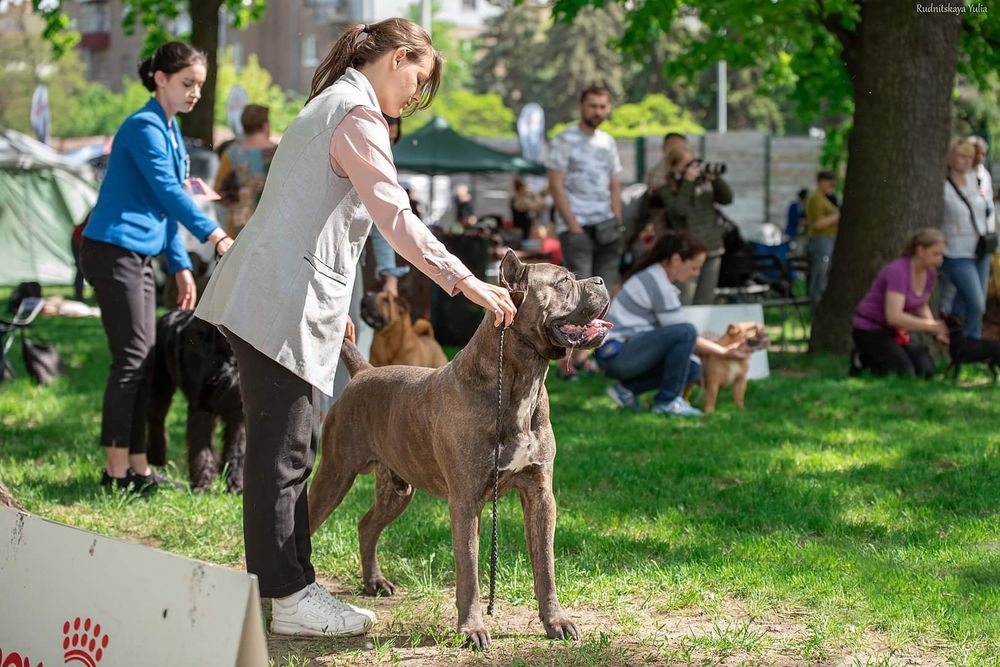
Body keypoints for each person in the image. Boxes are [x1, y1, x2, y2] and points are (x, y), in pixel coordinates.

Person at [194, 19, 516, 638]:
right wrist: (465, 281)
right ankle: (290, 598)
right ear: (398, 59)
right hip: (276, 299)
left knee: (280, 451)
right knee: (286, 453)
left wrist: (333, 294)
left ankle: (278, 587)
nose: (414, 100)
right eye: (417, 83)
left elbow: (305, 211)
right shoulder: (358, 115)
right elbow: (395, 216)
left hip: (270, 291)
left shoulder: (328, 103)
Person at [79, 42, 233, 494]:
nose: (195, 94)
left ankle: (139, 467)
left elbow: (164, 210)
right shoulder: (143, 127)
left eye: (200, 87)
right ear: (160, 79)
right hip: (111, 251)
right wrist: (215, 235)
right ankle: (114, 472)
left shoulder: (171, 135)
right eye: (187, 84)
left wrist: (181, 266)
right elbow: (170, 193)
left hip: (139, 254)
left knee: (145, 360)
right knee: (131, 360)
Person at [596, 231, 747, 417]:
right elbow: (683, 334)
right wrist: (722, 350)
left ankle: (626, 390)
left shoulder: (655, 277)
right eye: (694, 267)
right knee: (687, 333)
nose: (697, 273)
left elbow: (677, 334)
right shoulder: (658, 284)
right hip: (617, 354)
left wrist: (700, 342)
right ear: (676, 260)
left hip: (621, 352)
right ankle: (667, 402)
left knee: (692, 368)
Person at [547, 85, 624, 379]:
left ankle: (584, 357)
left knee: (604, 295)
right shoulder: (565, 139)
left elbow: (614, 185)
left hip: (606, 226)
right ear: (581, 105)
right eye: (593, 106)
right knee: (578, 296)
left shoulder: (608, 142)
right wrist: (574, 225)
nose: (598, 112)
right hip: (577, 227)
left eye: (603, 106)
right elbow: (556, 184)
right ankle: (564, 361)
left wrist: (617, 221)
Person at [851, 228, 949, 379]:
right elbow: (894, 317)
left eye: (941, 254)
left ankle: (877, 357)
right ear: (920, 250)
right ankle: (863, 358)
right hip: (872, 328)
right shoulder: (898, 271)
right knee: (904, 374)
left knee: (926, 372)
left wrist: (936, 332)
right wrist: (930, 326)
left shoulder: (930, 273)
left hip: (898, 330)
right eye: (935, 254)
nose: (940, 259)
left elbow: (921, 305)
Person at [657, 146, 733, 305]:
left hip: (711, 247)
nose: (693, 168)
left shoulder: (704, 182)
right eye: (686, 165)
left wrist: (716, 179)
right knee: (685, 299)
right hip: (687, 252)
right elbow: (679, 211)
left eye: (694, 163)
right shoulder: (666, 188)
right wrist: (688, 182)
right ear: (674, 166)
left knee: (705, 300)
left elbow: (727, 199)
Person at [941, 138, 995, 338]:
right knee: (977, 304)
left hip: (980, 249)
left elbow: (984, 210)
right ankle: (969, 343)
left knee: (965, 302)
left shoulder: (976, 180)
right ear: (951, 157)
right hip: (956, 252)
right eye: (961, 156)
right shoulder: (943, 186)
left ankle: (966, 345)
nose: (965, 161)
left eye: (969, 157)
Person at [214, 104, 277, 238]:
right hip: (271, 226)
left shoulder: (231, 154)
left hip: (238, 228)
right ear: (265, 125)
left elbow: (218, 194)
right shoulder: (279, 153)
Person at [805, 170, 839, 303]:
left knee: (824, 271)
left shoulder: (823, 198)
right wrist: (837, 216)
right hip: (821, 240)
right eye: (830, 183)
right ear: (821, 182)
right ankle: (816, 301)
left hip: (827, 239)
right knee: (820, 272)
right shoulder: (815, 198)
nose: (832, 186)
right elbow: (818, 223)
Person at [511, 176, 544, 240]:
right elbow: (536, 206)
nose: (526, 189)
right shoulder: (518, 199)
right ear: (520, 188)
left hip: (525, 229)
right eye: (524, 187)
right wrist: (535, 195)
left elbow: (539, 206)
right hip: (520, 231)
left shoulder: (523, 199)